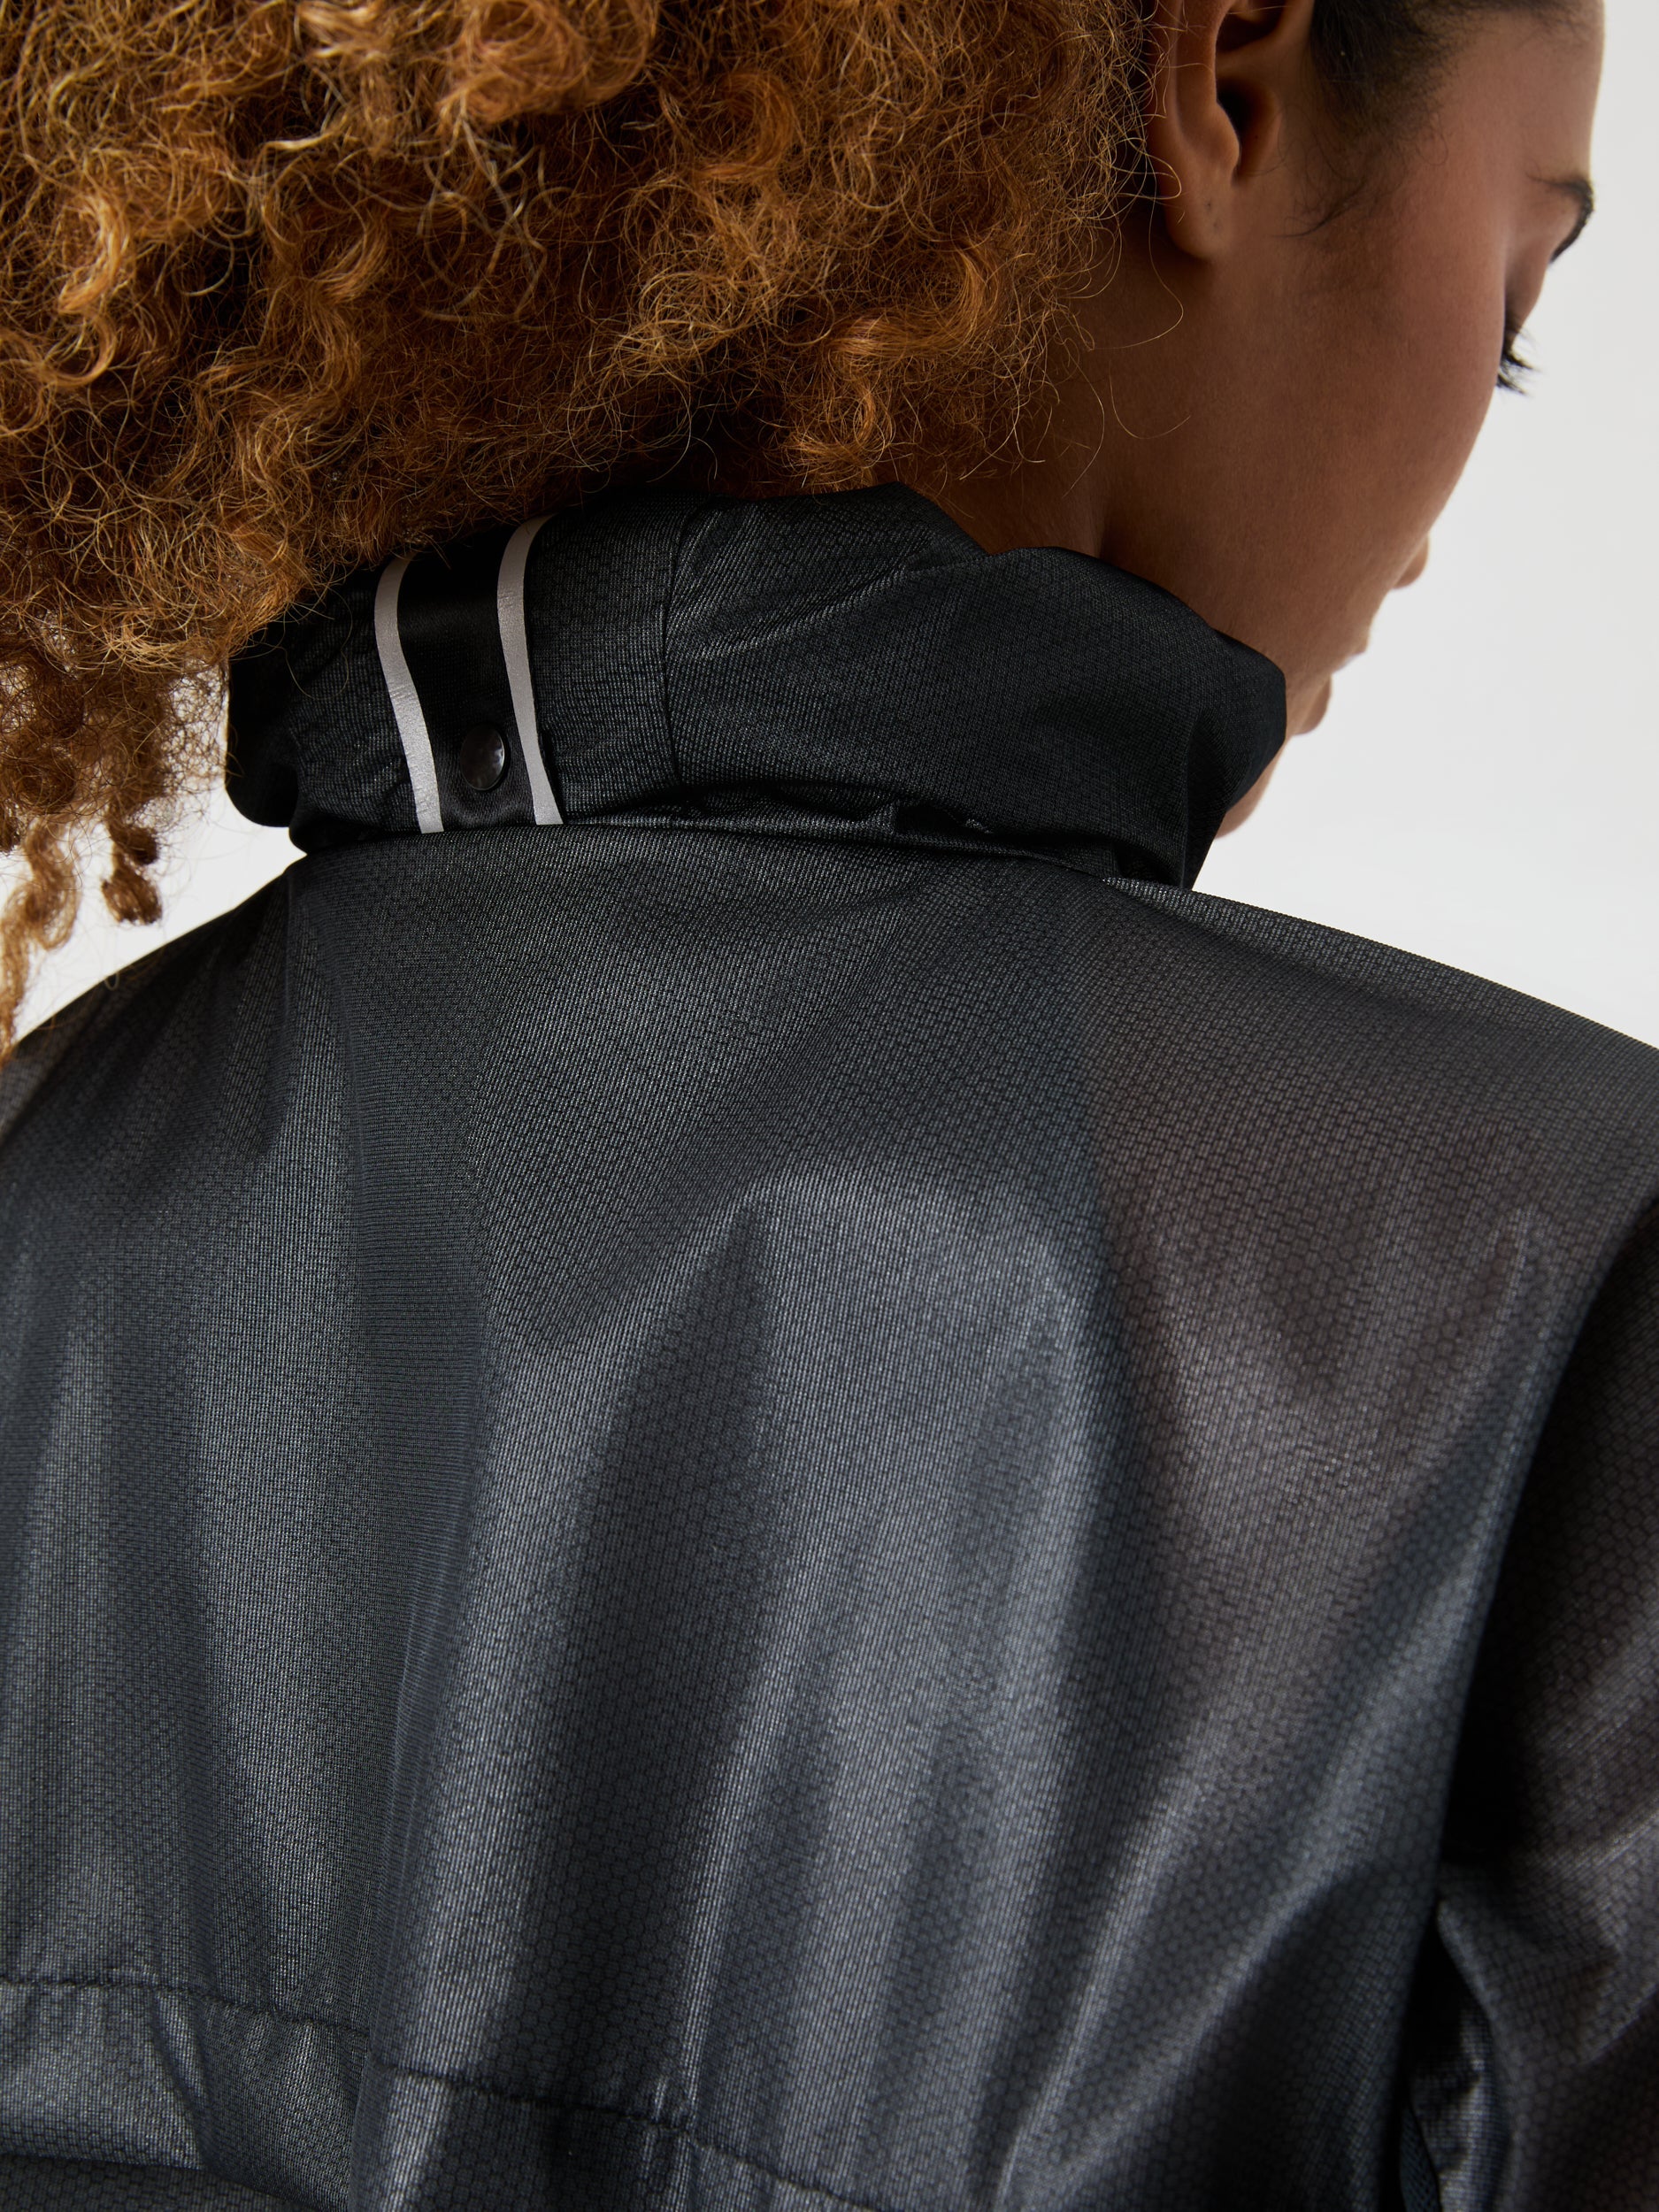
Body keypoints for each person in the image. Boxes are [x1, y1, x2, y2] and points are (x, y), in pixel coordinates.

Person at [0, 0, 1648, 2205]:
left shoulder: (39, 1185)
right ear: (1224, 93)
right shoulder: (1557, 1301)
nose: (1458, 483)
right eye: (1512, 304)